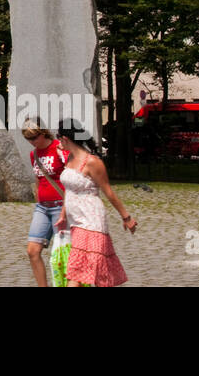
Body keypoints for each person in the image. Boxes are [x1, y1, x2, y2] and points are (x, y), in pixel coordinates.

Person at [54, 122, 136, 287]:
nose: (58, 142)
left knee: (87, 272)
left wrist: (126, 217)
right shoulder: (70, 158)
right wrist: (63, 215)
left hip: (92, 221)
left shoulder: (92, 162)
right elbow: (69, 191)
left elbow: (108, 192)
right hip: (76, 222)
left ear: (65, 138)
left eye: (59, 138)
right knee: (84, 272)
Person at [23, 124, 68, 287]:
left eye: (34, 137)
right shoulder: (33, 154)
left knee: (63, 253)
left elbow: (71, 178)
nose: (32, 142)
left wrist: (66, 207)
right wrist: (38, 197)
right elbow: (38, 178)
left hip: (61, 205)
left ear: (43, 133)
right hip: (42, 207)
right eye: (28, 139)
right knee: (32, 251)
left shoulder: (59, 148)